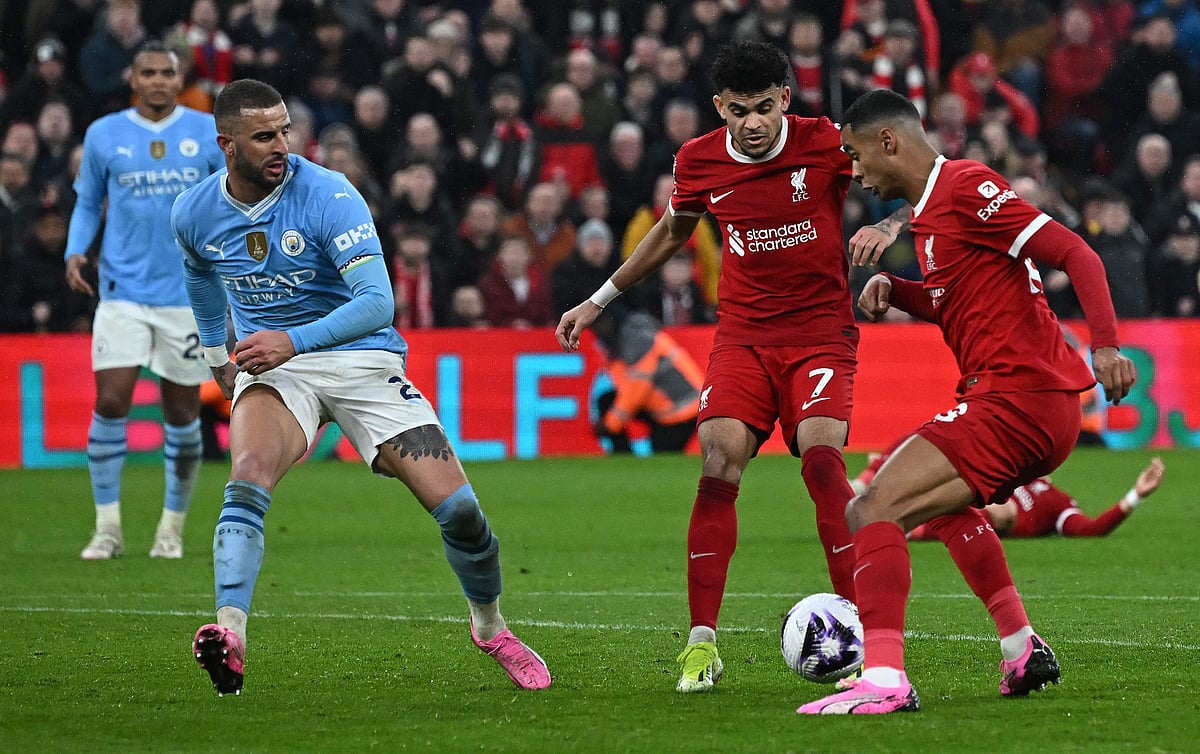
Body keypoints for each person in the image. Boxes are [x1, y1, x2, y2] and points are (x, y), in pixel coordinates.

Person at [171, 78, 551, 697]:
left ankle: (490, 627)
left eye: (285, 130)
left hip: (358, 358)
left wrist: (292, 339)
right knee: (247, 474)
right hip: (277, 370)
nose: (282, 146)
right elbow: (199, 275)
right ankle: (229, 632)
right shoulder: (194, 211)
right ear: (227, 145)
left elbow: (378, 303)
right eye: (264, 136)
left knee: (461, 514)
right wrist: (218, 356)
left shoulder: (328, 194)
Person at [556, 41, 907, 694]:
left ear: (784, 100)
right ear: (719, 108)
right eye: (739, 111)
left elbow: (924, 176)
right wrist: (599, 300)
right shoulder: (699, 160)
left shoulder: (828, 141)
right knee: (717, 460)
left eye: (765, 108)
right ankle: (701, 646)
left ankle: (861, 633)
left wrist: (890, 226)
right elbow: (671, 232)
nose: (752, 124)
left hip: (819, 336)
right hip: (743, 336)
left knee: (823, 461)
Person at [796, 89, 1136, 715]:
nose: (854, 169)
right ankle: (1020, 648)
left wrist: (1107, 348)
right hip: (1023, 402)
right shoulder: (929, 216)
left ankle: (886, 679)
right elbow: (959, 300)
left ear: (887, 141)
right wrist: (897, 291)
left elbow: (1075, 252)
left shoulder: (967, 188)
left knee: (872, 507)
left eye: (854, 153)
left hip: (1021, 398)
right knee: (945, 509)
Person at [65, 40, 224, 561]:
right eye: (148, 72)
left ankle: (170, 529)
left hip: (187, 295)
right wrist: (74, 251)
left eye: (167, 72)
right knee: (111, 401)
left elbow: (225, 206)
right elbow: (89, 202)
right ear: (133, 78)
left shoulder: (206, 133)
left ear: (181, 80)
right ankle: (106, 528)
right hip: (121, 292)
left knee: (181, 412)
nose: (158, 80)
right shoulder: (103, 134)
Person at [906, 458, 1165, 539]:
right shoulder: (1016, 471)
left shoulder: (1059, 505)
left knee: (998, 508)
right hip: (970, 500)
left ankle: (908, 528)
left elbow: (1091, 529)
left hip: (989, 514)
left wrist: (1136, 495)